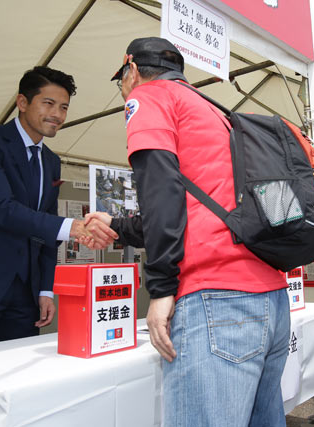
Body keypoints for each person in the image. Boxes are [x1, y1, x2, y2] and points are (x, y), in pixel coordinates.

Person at [110, 37, 290, 426]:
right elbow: (195, 207)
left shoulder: (149, 97)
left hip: (217, 299)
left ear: (132, 69)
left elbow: (161, 197)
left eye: (121, 78)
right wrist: (115, 227)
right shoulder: (211, 109)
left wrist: (161, 289)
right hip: (271, 295)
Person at [0, 66, 118, 350]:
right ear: (22, 102)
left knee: (20, 365)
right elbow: (2, 209)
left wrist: (45, 289)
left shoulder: (51, 161)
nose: (57, 115)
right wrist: (74, 227)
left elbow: (46, 225)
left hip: (26, 292)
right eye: (48, 103)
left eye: (64, 107)